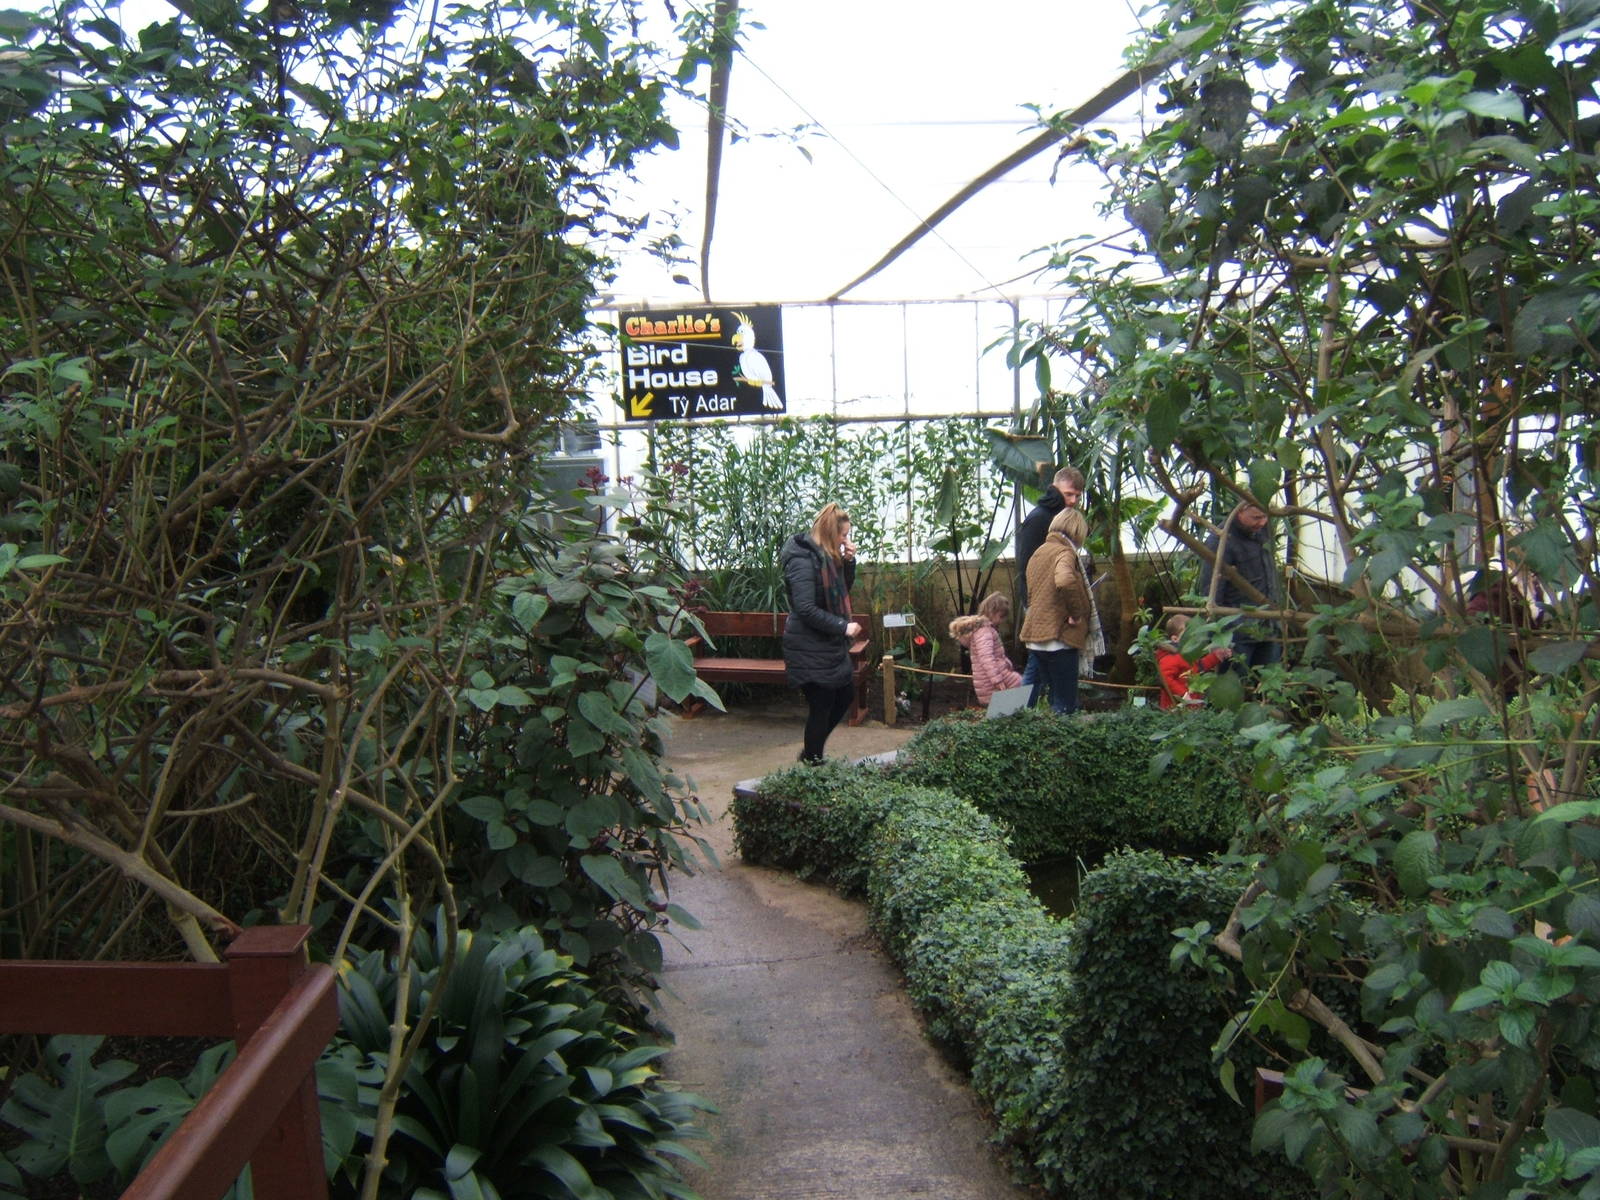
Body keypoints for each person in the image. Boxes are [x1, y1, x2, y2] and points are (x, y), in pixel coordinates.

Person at [780, 502, 864, 763]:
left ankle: (810, 752)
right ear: (829, 531)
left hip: (827, 645)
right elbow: (805, 608)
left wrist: (848, 562)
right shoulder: (801, 558)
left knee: (845, 695)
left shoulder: (826, 556)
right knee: (822, 705)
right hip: (807, 645)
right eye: (843, 535)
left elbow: (841, 589)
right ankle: (813, 761)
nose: (845, 540)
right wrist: (843, 626)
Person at [1019, 508, 1092, 714]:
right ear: (1078, 531)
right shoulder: (1065, 553)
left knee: (1024, 699)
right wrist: (1076, 613)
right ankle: (1064, 743)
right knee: (1063, 704)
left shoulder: (1038, 552)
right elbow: (1065, 580)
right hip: (1059, 638)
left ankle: (1005, 729)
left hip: (1036, 636)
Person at [1197, 501, 1282, 669]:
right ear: (1239, 512)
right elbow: (1211, 593)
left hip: (1269, 627)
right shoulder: (1220, 541)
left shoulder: (1260, 530)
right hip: (1237, 633)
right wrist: (1217, 637)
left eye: (1265, 517)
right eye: (1256, 517)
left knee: (1270, 684)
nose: (1263, 522)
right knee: (1236, 683)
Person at [1014, 466, 1084, 609]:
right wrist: (1035, 601)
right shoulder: (1039, 519)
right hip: (1039, 599)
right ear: (1054, 489)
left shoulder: (1062, 517)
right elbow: (1026, 565)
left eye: (1077, 496)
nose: (1072, 501)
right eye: (1068, 494)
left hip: (1055, 596)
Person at [948, 592, 1022, 705]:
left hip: (992, 675)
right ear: (992, 612)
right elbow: (986, 658)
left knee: (1012, 694)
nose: (1002, 621)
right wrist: (997, 680)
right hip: (991, 678)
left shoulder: (985, 629)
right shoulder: (984, 632)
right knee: (1018, 683)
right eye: (1001, 616)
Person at [1153, 613, 1233, 708]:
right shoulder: (1170, 657)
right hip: (1175, 707)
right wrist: (1183, 694)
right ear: (1175, 639)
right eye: (1188, 634)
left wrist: (1216, 656)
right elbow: (1165, 678)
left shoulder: (1187, 654)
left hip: (1191, 704)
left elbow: (1199, 667)